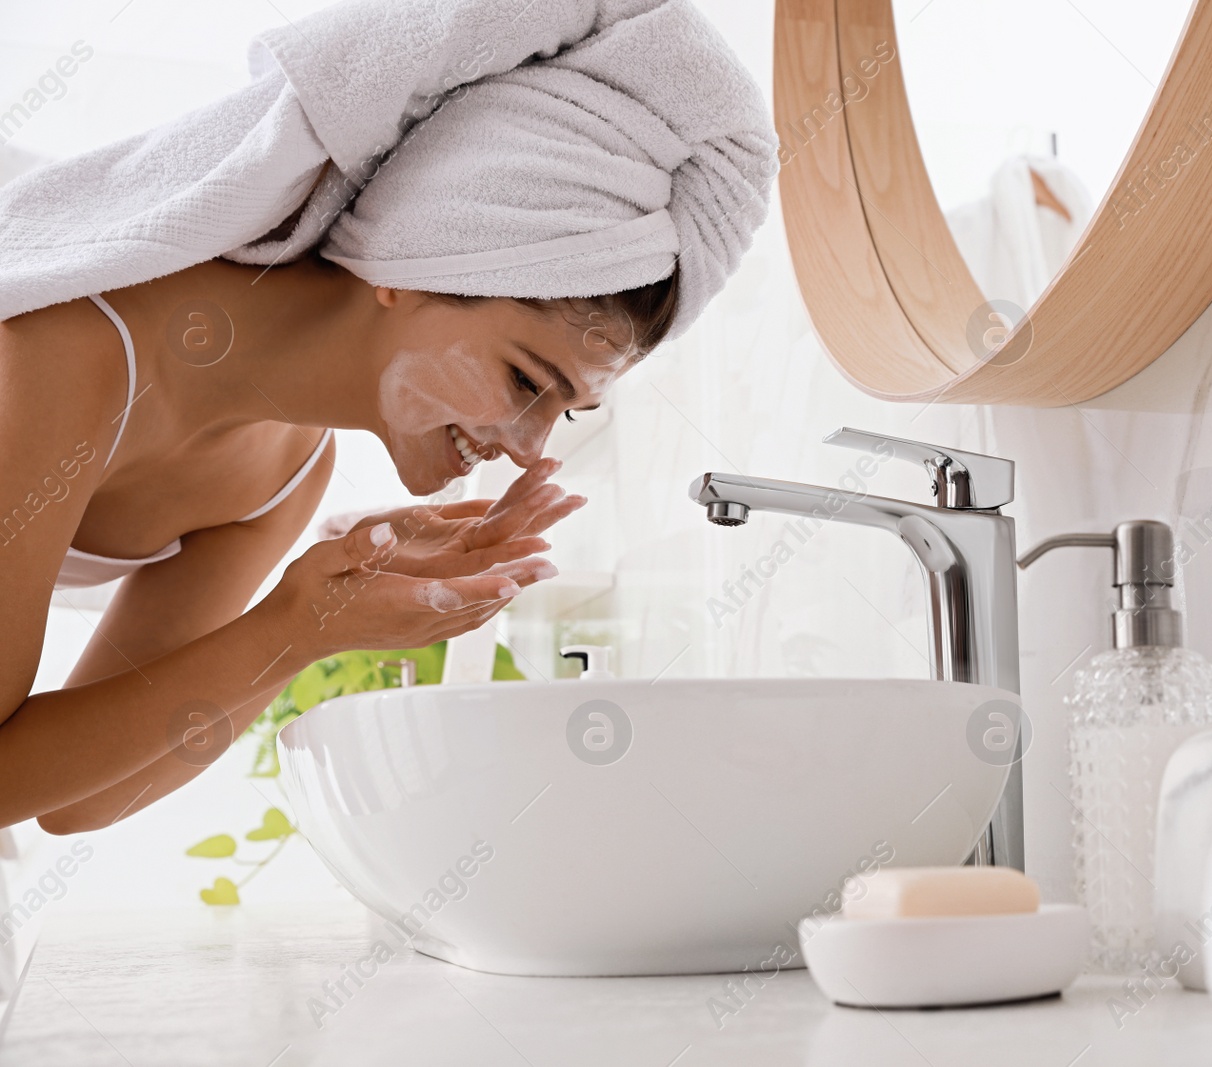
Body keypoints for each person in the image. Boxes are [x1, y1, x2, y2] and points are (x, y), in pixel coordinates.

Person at [0, 0, 777, 834]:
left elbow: (78, 802)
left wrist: (317, 623)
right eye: (525, 379)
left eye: (565, 412)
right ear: (416, 258)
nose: (525, 450)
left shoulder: (286, 476)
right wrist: (295, 621)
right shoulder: (58, 356)